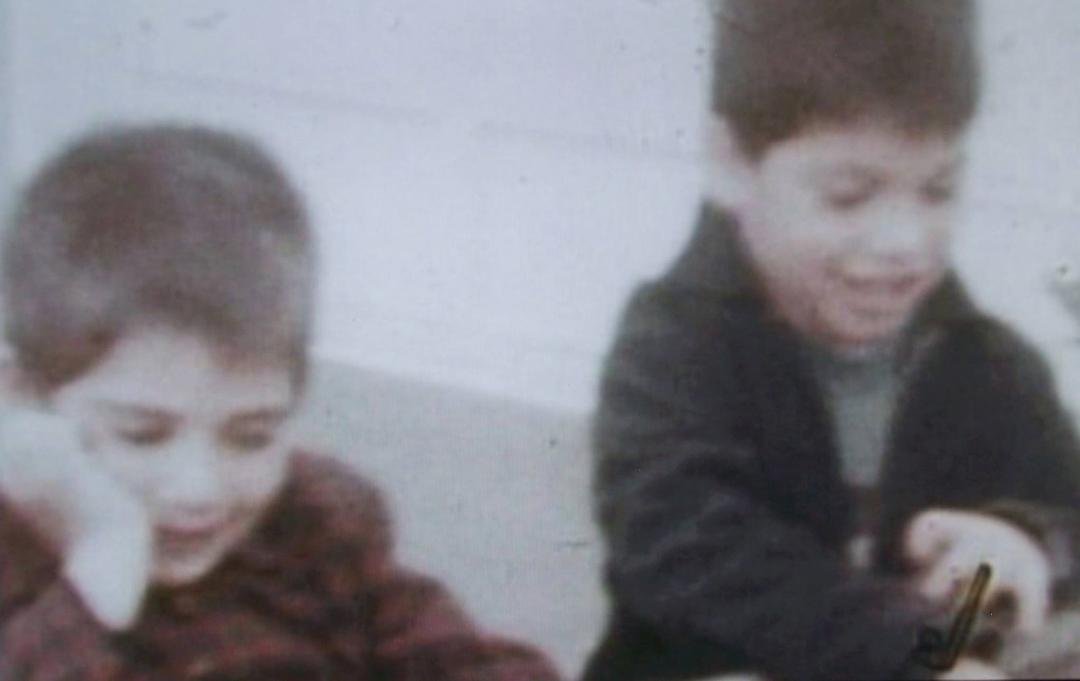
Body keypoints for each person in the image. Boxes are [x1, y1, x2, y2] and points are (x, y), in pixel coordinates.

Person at [582, 1, 1080, 679]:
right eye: (850, 196)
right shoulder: (671, 348)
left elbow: (1050, 536)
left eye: (938, 191)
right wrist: (911, 654)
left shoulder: (994, 368)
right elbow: (688, 548)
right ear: (730, 163)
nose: (905, 242)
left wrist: (1026, 539)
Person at [0, 125, 561, 681]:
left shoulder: (313, 522)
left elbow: (459, 654)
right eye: (142, 435)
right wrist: (101, 559)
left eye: (251, 437)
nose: (199, 489)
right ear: (23, 398)